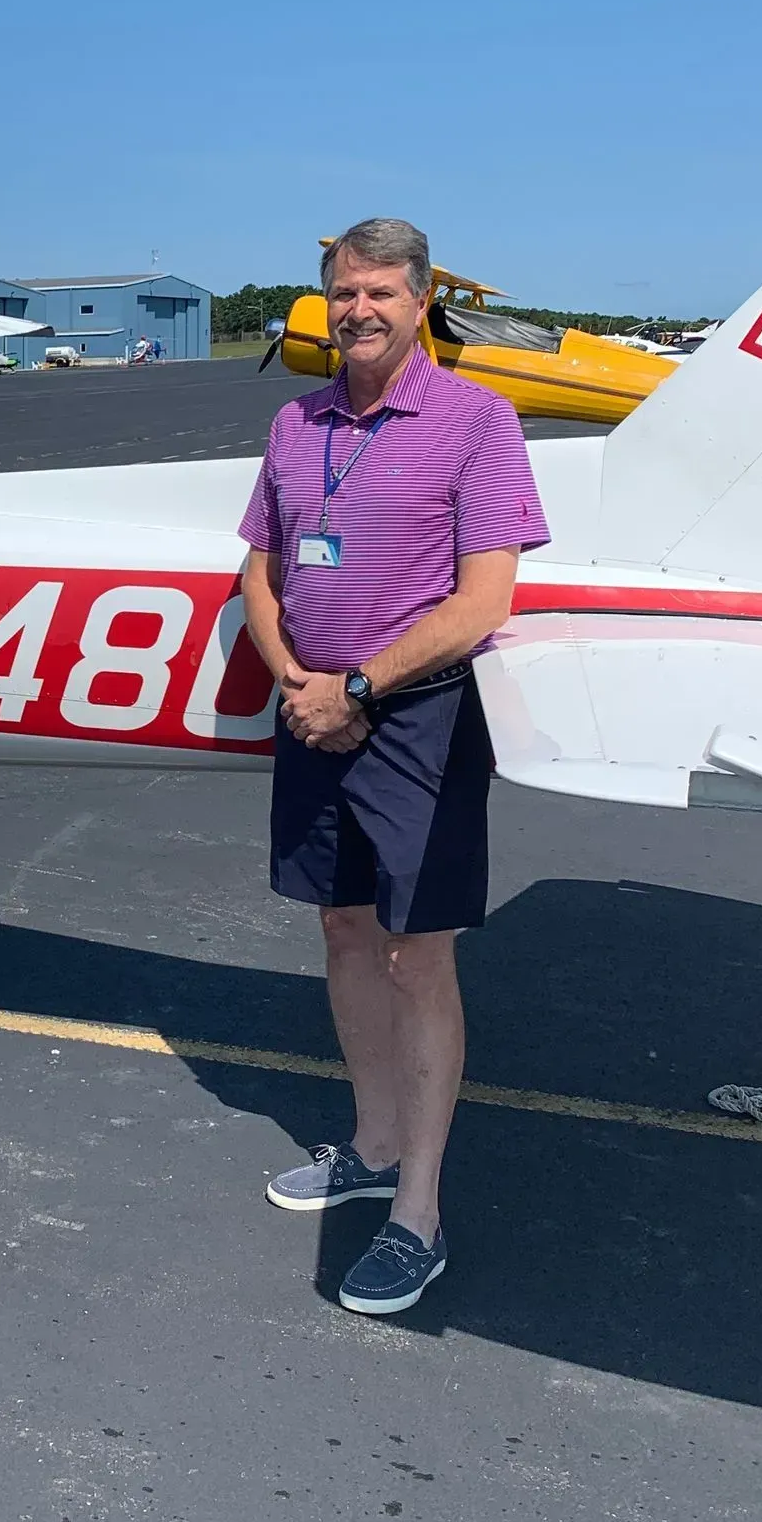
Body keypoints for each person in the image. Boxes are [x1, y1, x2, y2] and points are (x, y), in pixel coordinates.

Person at [237, 217, 549, 1315]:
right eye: (341, 293)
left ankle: (418, 1210)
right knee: (341, 927)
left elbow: (484, 599)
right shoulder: (295, 419)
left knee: (422, 959)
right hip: (311, 711)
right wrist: (295, 679)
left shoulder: (477, 421)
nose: (358, 309)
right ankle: (370, 1143)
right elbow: (259, 572)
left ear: (420, 303)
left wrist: (356, 688)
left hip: (414, 719)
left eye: (378, 291)